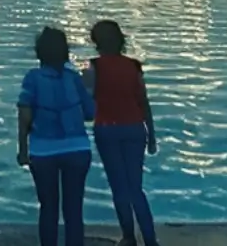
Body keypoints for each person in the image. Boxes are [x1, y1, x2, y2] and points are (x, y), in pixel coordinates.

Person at [18, 26, 96, 246]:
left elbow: (24, 115)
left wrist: (23, 149)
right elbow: (90, 114)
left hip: (43, 150)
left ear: (39, 51)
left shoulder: (32, 78)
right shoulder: (74, 79)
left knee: (48, 209)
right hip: (78, 149)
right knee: (74, 211)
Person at [84, 20, 157, 246]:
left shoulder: (93, 67)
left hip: (108, 129)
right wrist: (152, 135)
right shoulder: (134, 66)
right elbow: (143, 102)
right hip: (135, 128)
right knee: (136, 188)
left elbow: (87, 104)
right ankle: (150, 239)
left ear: (96, 42)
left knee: (119, 186)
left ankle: (128, 236)